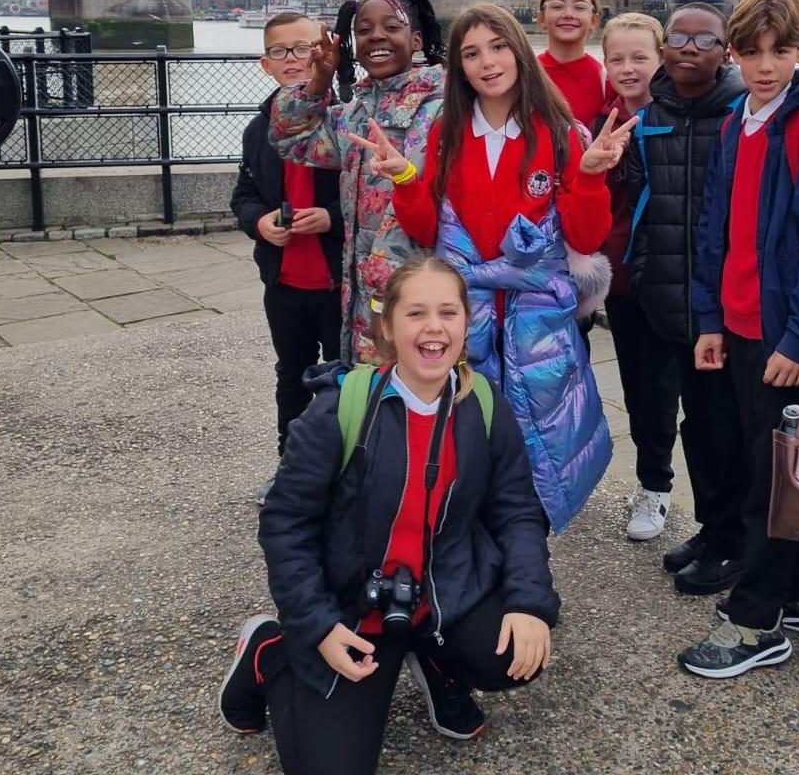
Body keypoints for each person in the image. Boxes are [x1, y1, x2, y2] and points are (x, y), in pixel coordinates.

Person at [220, 257, 559, 775]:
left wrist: (529, 602)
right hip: (352, 611)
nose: (433, 327)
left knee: (514, 653)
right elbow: (286, 524)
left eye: (448, 312)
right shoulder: (339, 409)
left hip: (443, 597)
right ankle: (269, 652)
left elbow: (517, 510)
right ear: (388, 327)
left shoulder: (484, 405)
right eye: (416, 313)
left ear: (466, 325)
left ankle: (438, 665)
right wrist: (317, 624)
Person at [357, 3, 630, 531]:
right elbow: (429, 230)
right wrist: (405, 179)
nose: (488, 63)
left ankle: (526, 552)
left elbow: (585, 237)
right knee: (468, 447)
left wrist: (592, 175)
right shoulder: (447, 133)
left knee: (536, 454)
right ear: (458, 67)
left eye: (499, 47)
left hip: (539, 326)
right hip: (467, 321)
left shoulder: (561, 132)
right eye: (471, 53)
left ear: (520, 51)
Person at [677, 0, 799, 678]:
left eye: (781, 51)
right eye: (751, 52)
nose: (766, 65)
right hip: (740, 327)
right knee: (765, 467)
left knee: (769, 483)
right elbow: (713, 229)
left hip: (782, 336)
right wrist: (710, 319)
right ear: (734, 54)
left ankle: (756, 623)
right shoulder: (734, 124)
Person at [626, 2, 747, 592]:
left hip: (725, 310)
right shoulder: (648, 119)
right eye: (679, 38)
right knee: (696, 427)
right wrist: (645, 273)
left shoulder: (742, 114)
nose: (690, 49)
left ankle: (734, 543)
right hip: (668, 301)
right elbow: (638, 204)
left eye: (706, 40)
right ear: (663, 48)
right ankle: (712, 527)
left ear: (726, 52)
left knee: (725, 427)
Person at [269, 0, 445, 364]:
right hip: (362, 298)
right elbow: (290, 140)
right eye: (364, 30)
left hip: (424, 297)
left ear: (416, 40)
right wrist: (320, 80)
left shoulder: (443, 109)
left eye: (391, 27)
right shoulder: (353, 115)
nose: (376, 36)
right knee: (372, 392)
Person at [231, 11, 345, 503]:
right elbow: (243, 194)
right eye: (280, 51)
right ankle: (291, 468)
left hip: (339, 280)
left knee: (345, 379)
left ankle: (346, 471)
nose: (293, 59)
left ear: (325, 52)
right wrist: (259, 222)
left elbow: (372, 195)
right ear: (266, 64)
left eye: (304, 48)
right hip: (284, 281)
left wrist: (330, 218)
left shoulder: (346, 117)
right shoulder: (259, 129)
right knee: (291, 376)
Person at [594, 12, 670, 540]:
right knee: (638, 388)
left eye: (639, 57)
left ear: (661, 59)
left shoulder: (677, 118)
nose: (627, 68)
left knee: (667, 389)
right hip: (621, 277)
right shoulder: (602, 121)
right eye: (616, 58)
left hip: (670, 276)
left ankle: (660, 486)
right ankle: (652, 482)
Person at [536, 0, 611, 127]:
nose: (568, 14)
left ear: (594, 20)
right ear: (541, 18)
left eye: (579, 7)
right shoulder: (523, 75)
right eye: (557, 6)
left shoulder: (607, 81)